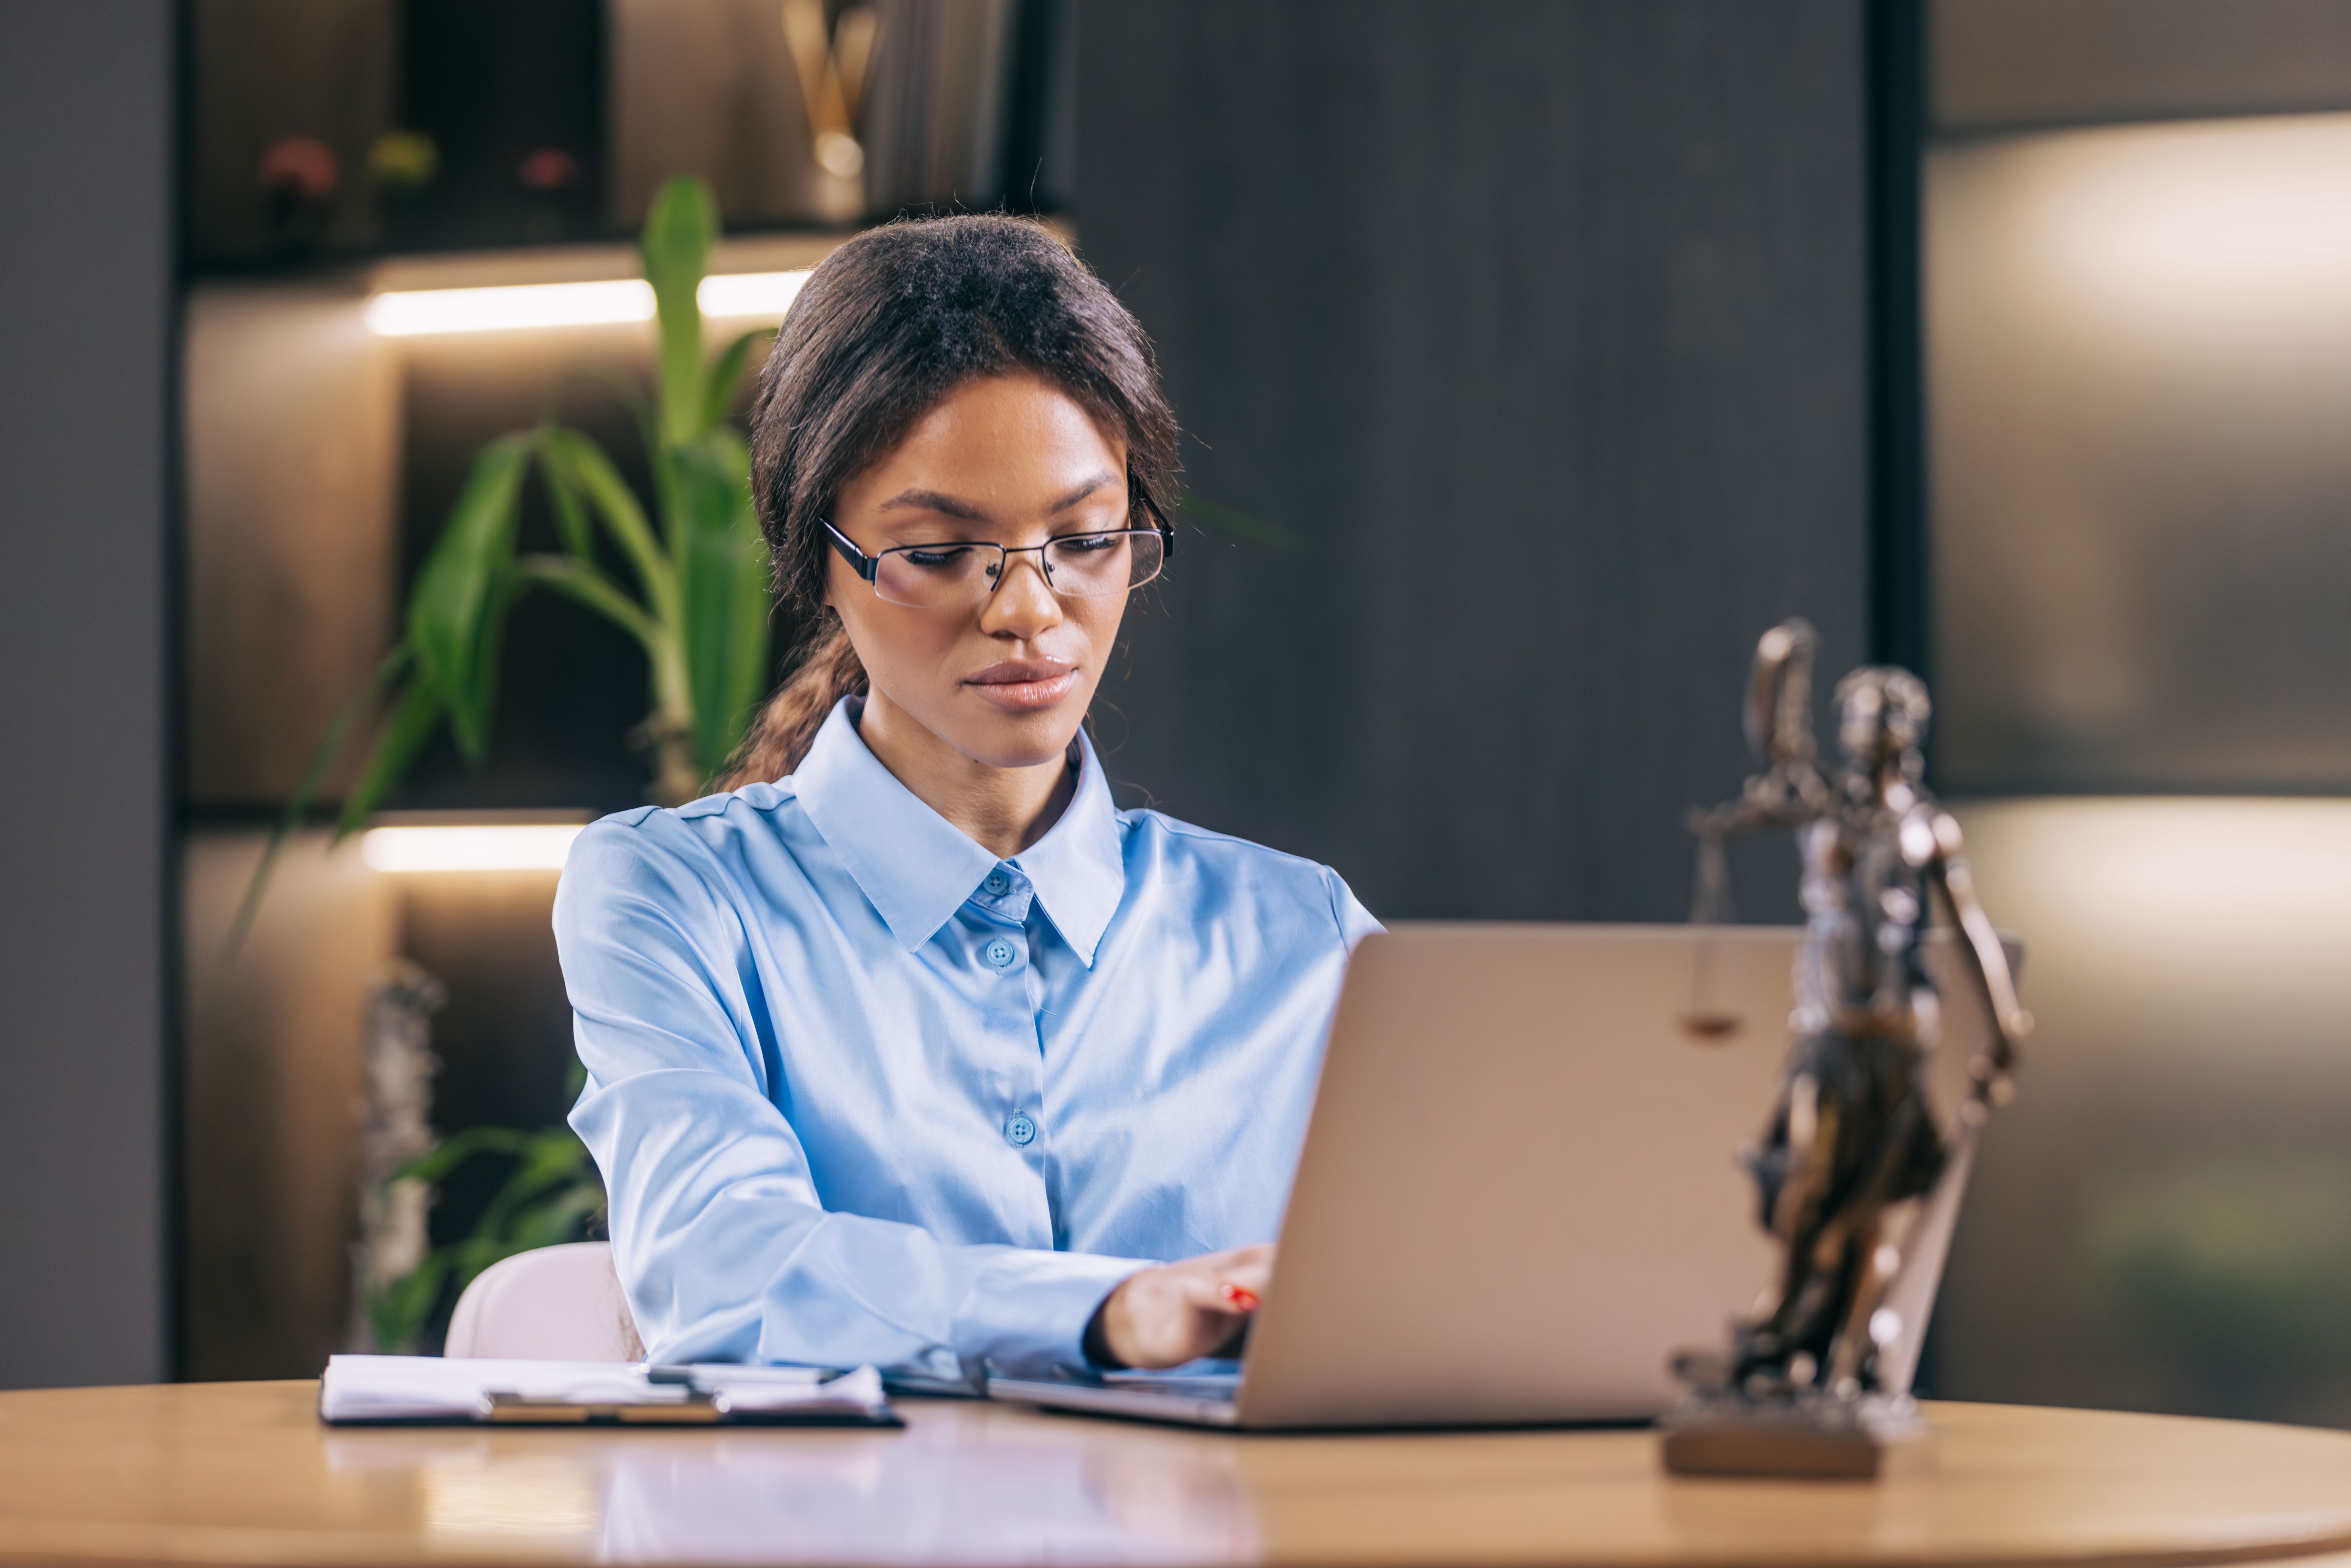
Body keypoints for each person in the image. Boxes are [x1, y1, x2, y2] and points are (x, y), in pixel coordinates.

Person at [554, 214, 1380, 1388]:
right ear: (820, 557)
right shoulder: (676, 897)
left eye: (1086, 538)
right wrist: (1110, 1312)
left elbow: (1470, 1271)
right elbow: (722, 1271)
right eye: (943, 553)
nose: (1029, 611)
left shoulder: (1306, 936)